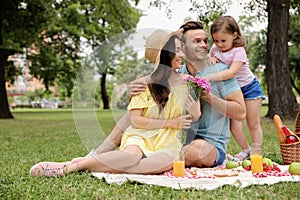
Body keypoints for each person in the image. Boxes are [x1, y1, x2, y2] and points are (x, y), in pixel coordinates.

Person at [30, 30, 202, 177]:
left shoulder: (187, 83)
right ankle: (71, 167)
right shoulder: (144, 83)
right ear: (165, 54)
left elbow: (194, 116)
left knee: (161, 164)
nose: (182, 55)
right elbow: (136, 121)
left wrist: (195, 112)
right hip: (141, 136)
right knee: (130, 157)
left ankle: (90, 163)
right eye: (178, 50)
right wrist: (171, 122)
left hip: (168, 142)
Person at [121, 21, 246, 167]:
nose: (204, 45)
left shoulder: (220, 71)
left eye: (205, 41)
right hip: (174, 140)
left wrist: (206, 95)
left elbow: (240, 112)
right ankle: (103, 153)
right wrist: (135, 90)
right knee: (132, 114)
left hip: (209, 144)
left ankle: (144, 160)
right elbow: (153, 89)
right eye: (197, 41)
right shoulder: (178, 73)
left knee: (197, 151)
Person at [203, 16, 266, 161]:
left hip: (249, 89)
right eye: (216, 40)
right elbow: (211, 59)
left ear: (235, 35)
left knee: (253, 123)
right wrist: (211, 59)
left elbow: (231, 72)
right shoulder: (215, 49)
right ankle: (245, 150)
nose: (219, 44)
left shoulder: (239, 51)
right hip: (233, 91)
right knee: (234, 127)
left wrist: (211, 76)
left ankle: (257, 154)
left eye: (223, 41)